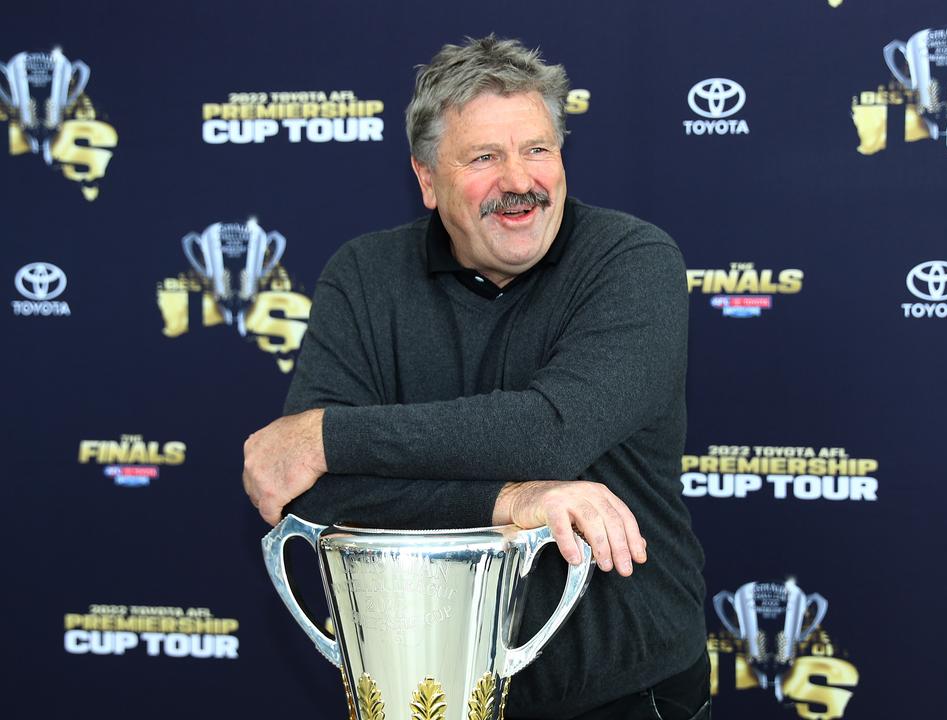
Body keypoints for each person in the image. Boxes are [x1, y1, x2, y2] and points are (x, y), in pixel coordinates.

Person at [241, 36, 710, 720]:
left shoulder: (632, 260)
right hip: (424, 692)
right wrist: (510, 501)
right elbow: (310, 497)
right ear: (427, 180)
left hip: (625, 692)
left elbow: (553, 429)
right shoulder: (364, 276)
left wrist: (325, 436)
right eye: (485, 157)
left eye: (538, 149)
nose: (519, 180)